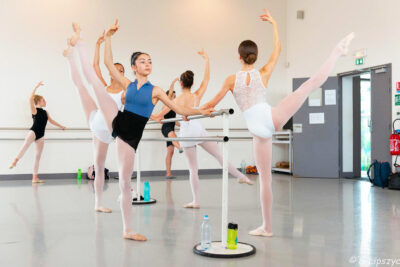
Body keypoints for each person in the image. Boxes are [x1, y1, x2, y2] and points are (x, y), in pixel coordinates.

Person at [202, 9, 354, 236]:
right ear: (254, 56)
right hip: (273, 116)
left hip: (257, 128)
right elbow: (278, 50)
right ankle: (337, 51)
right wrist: (274, 24)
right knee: (309, 85)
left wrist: (194, 112)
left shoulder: (231, 80)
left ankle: (267, 227)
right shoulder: (263, 72)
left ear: (239, 56)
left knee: (266, 180)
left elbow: (211, 104)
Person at [66, 20, 213, 241]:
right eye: (142, 61)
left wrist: (202, 110)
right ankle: (80, 43)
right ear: (134, 67)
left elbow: (179, 108)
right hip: (118, 120)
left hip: (130, 137)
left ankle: (127, 230)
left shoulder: (156, 90)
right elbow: (107, 63)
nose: (147, 64)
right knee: (94, 83)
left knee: (125, 183)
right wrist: (109, 38)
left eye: (149, 61)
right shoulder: (128, 84)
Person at [152, 49, 254, 210]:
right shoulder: (196, 95)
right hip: (198, 130)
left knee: (193, 170)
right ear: (192, 83)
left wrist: (147, 117)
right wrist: (206, 60)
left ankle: (196, 200)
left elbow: (159, 116)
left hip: (186, 134)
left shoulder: (176, 99)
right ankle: (241, 176)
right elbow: (206, 80)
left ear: (180, 83)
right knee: (219, 155)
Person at [63, 30, 126, 213]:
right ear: (111, 72)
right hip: (96, 118)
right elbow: (94, 66)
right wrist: (98, 45)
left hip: (103, 131)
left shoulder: (125, 92)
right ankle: (70, 57)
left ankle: (98, 203)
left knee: (99, 166)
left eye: (122, 71)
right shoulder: (104, 86)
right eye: (116, 70)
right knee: (81, 86)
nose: (119, 73)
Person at [9, 82, 66, 183]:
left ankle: (35, 178)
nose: (45, 101)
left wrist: (61, 126)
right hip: (33, 132)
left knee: (37, 157)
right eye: (44, 100)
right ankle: (15, 161)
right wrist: (36, 87)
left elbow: (51, 121)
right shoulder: (34, 110)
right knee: (25, 145)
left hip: (41, 135)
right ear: (39, 101)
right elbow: (30, 99)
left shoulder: (45, 112)